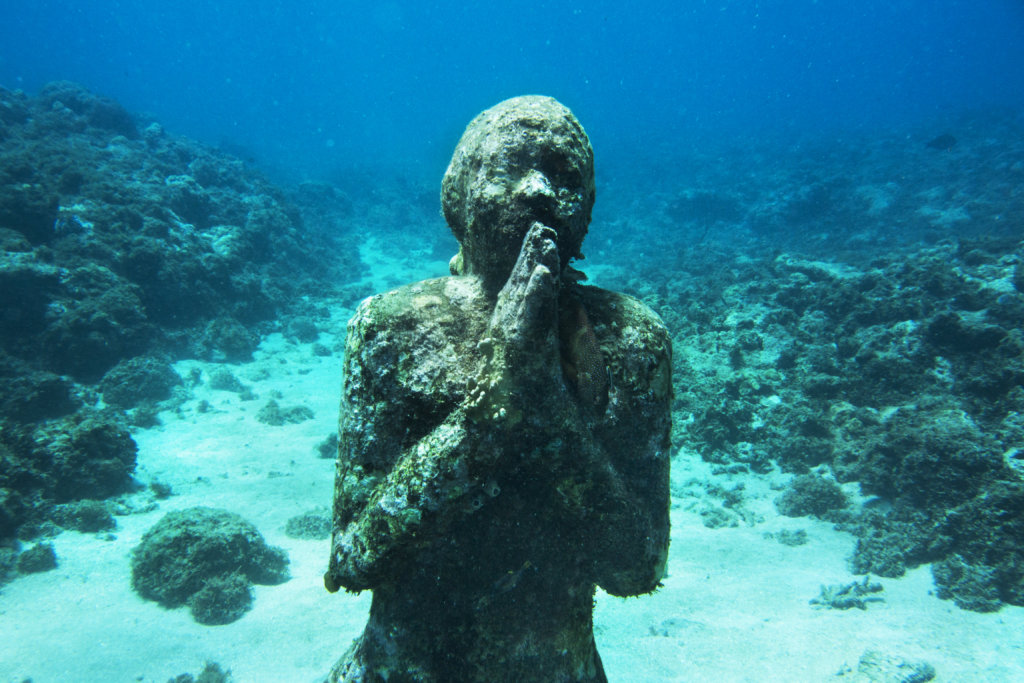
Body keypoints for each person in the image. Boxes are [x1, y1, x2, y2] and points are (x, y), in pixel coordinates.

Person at [324, 95, 672, 682]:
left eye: (563, 174)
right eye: (513, 165)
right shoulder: (392, 327)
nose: (538, 189)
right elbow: (353, 557)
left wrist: (543, 411)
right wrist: (494, 408)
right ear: (457, 190)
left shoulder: (632, 341)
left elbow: (636, 566)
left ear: (588, 205)